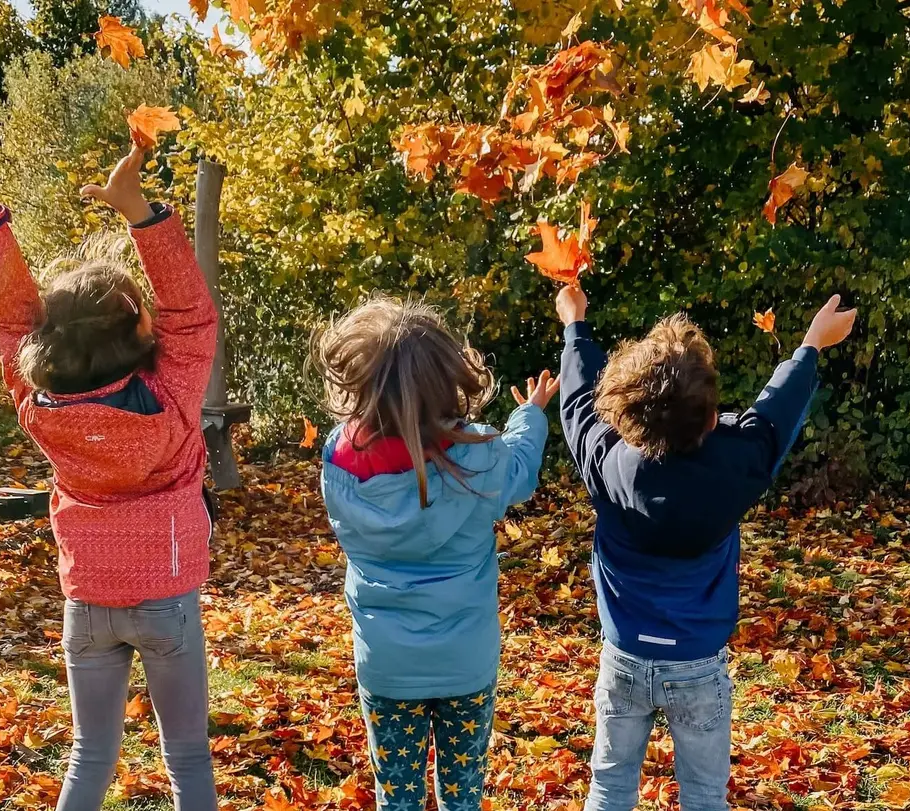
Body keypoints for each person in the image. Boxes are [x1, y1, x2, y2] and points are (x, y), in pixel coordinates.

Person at [0, 134, 220, 811]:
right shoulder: (171, 399)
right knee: (187, 755)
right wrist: (140, 213)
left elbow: (9, 315)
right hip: (166, 600)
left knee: (89, 755)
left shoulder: (39, 406)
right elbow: (192, 314)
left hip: (87, 603)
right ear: (138, 330)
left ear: (48, 342)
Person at [553, 284, 857, 811]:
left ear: (623, 414)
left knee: (609, 787)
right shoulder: (736, 466)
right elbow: (774, 416)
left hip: (624, 658)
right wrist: (810, 345)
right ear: (713, 420)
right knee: (704, 795)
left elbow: (579, 402)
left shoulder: (604, 460)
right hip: (697, 666)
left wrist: (575, 326)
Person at [312, 294, 558, 809]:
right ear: (447, 378)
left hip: (387, 666)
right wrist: (531, 414)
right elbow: (519, 469)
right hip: (466, 663)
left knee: (396, 795)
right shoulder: (479, 456)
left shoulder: (339, 458)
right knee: (462, 794)